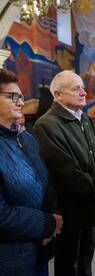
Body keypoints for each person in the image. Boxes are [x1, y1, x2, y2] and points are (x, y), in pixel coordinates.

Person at [33, 71, 95, 276]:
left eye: (82, 87)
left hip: (88, 205)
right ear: (58, 95)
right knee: (67, 264)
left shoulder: (85, 119)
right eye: (76, 88)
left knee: (86, 262)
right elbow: (65, 171)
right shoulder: (46, 124)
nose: (83, 92)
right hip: (68, 208)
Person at [0, 68, 62, 275]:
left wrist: (55, 214)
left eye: (21, 96)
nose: (20, 102)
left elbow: (45, 180)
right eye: (13, 97)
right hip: (8, 258)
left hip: (37, 250)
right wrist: (47, 223)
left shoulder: (25, 138)